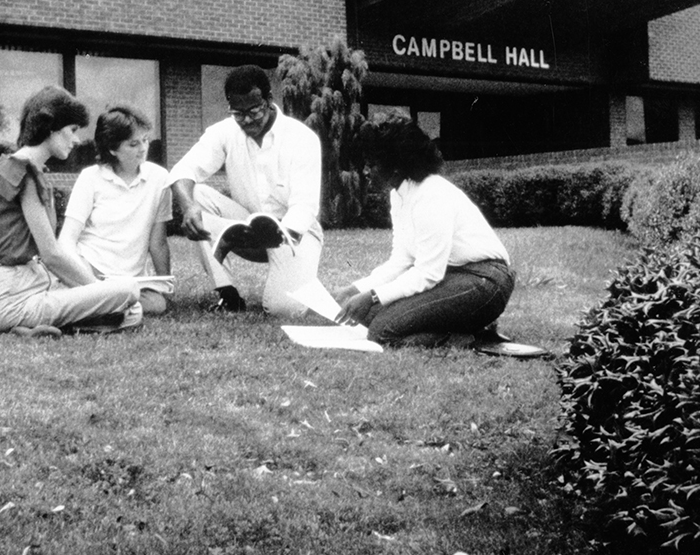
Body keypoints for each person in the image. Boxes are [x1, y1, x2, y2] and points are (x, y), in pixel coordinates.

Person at [333, 115, 515, 347]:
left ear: (397, 167)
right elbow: (400, 261)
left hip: (484, 281)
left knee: (382, 331)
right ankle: (464, 325)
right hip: (452, 277)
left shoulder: (431, 195)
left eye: (372, 165)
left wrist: (371, 296)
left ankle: (470, 337)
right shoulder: (398, 194)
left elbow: (428, 273)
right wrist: (354, 289)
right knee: (368, 317)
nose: (366, 172)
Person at [0, 86, 142, 337]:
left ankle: (35, 327)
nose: (76, 140)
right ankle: (48, 324)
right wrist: (99, 292)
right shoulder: (25, 171)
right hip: (16, 299)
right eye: (72, 130)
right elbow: (51, 254)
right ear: (51, 128)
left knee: (129, 306)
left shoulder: (17, 166)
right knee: (129, 292)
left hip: (26, 286)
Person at [169, 64, 322, 318]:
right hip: (246, 226)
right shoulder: (225, 131)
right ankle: (228, 294)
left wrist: (278, 234)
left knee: (283, 310)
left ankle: (300, 276)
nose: (247, 120)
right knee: (197, 195)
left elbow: (305, 207)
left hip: (295, 234)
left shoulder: (301, 138)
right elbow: (183, 170)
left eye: (254, 110)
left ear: (269, 100)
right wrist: (188, 207)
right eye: (238, 113)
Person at [57, 106, 173, 316]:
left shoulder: (159, 178)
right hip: (89, 268)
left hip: (130, 280)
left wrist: (166, 287)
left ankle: (99, 304)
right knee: (84, 292)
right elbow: (66, 241)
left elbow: (158, 242)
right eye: (133, 144)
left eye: (145, 140)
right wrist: (86, 279)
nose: (143, 148)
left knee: (157, 305)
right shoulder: (90, 177)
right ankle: (98, 300)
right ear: (112, 149)